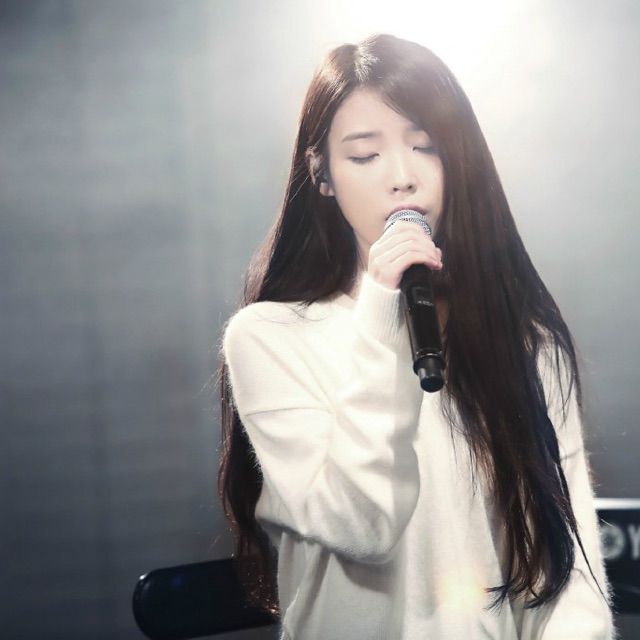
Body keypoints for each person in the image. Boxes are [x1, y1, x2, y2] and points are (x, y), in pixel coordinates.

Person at [217, 33, 617, 639]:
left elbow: (571, 572)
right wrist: (382, 305)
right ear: (322, 175)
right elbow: (364, 526)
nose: (402, 178)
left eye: (425, 147)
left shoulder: (525, 343)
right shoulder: (269, 339)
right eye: (365, 155)